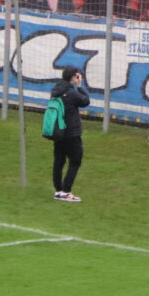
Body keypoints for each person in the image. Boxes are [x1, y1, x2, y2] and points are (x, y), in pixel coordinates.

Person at [49, 66, 90, 203]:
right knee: (75, 160)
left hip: (58, 131)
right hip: (71, 132)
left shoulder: (56, 91)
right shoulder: (71, 93)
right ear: (73, 77)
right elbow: (85, 101)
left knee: (59, 161)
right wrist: (79, 86)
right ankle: (66, 191)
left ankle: (58, 190)